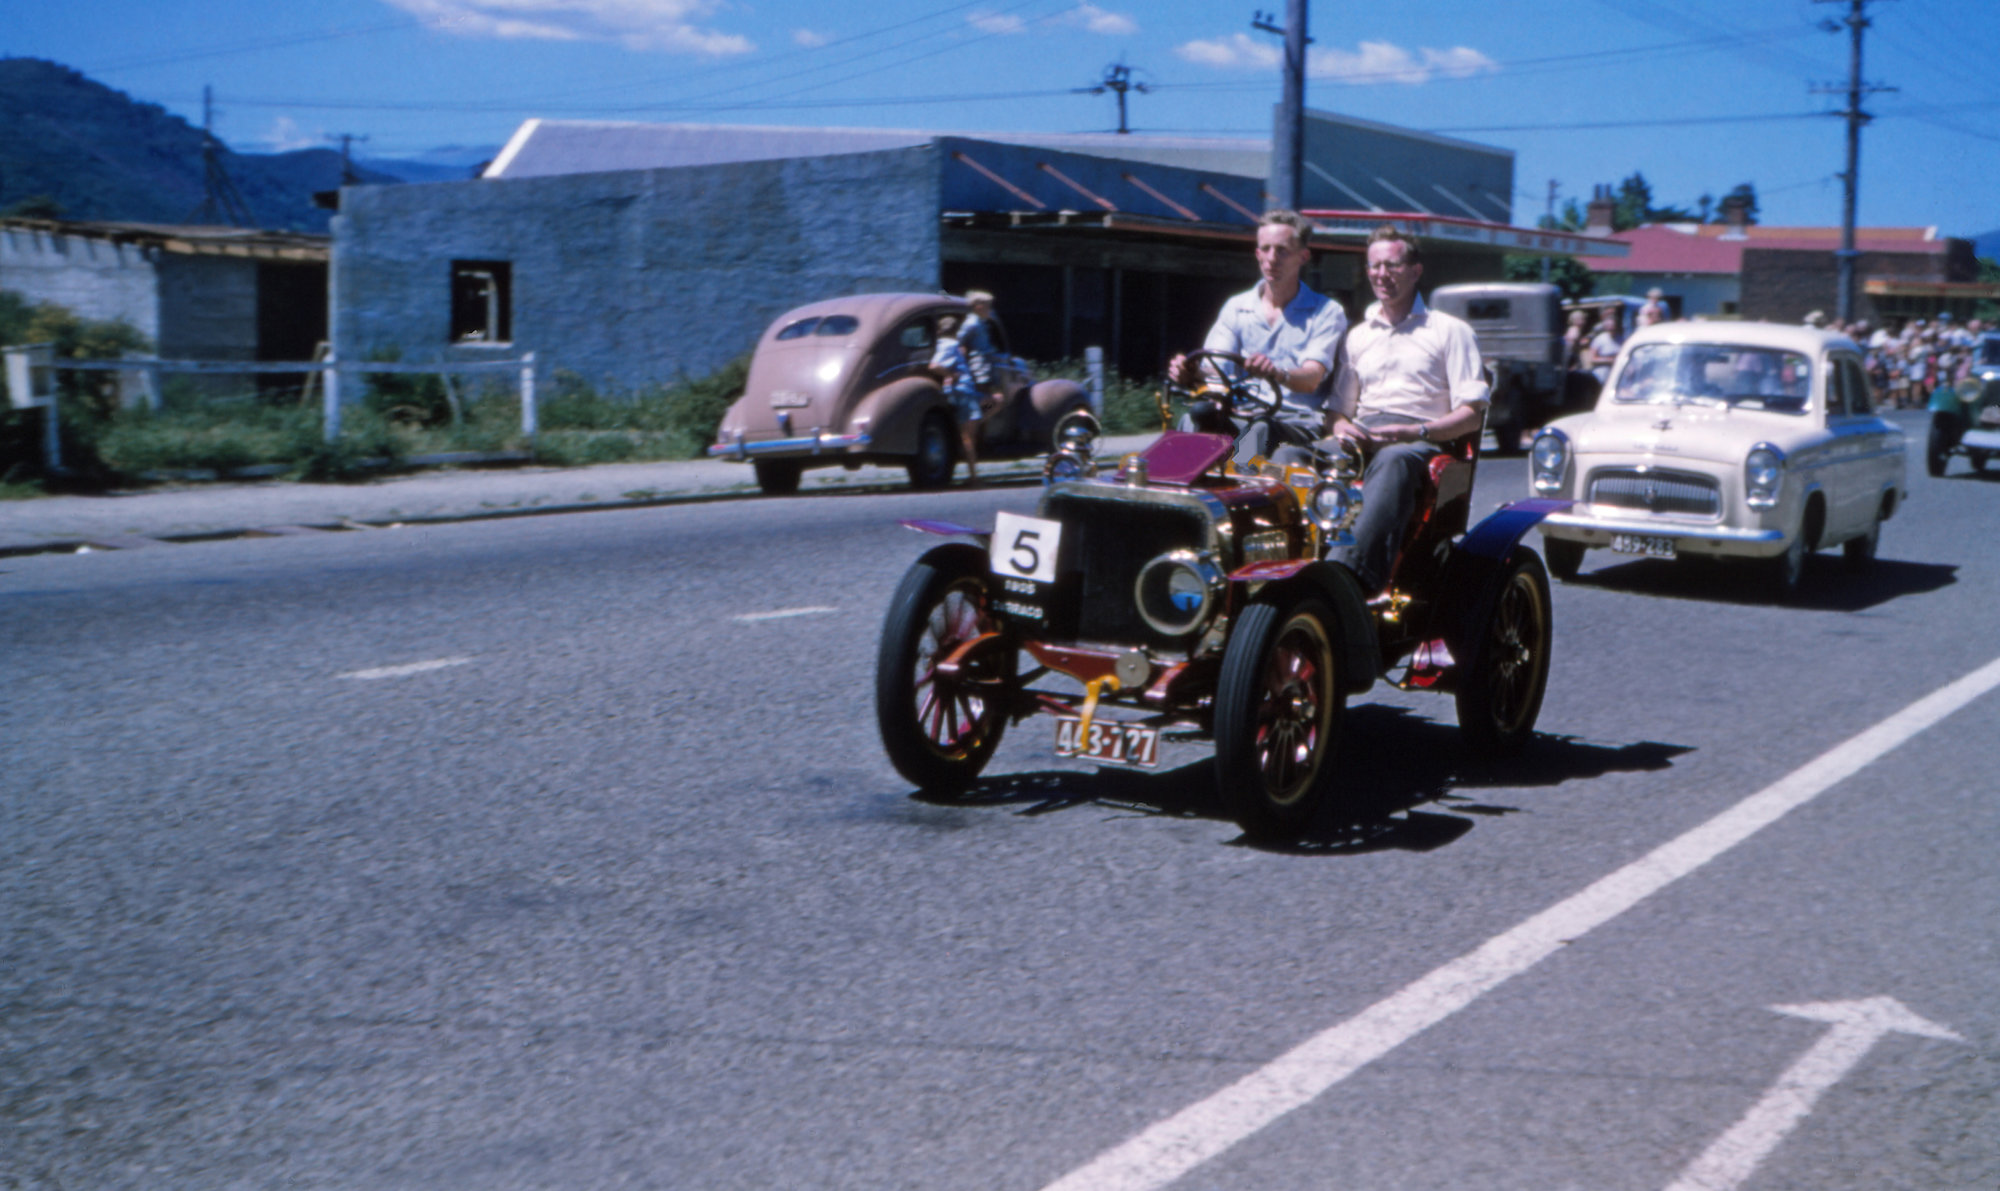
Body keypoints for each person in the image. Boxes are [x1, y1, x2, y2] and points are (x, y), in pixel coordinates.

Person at [1318, 225, 1489, 593]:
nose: (1382, 275)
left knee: (1393, 460)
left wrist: (1418, 432)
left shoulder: (1449, 331)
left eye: (1393, 265)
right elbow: (1336, 413)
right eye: (1375, 266)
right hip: (1363, 435)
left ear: (1415, 271)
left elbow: (1472, 414)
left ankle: (1348, 580)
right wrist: (1341, 428)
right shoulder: (1358, 337)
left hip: (1421, 438)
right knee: (1296, 457)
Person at [1168, 209, 1347, 463]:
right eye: (1266, 249)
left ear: (1303, 257)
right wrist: (1192, 373)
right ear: (1257, 254)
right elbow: (1215, 369)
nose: (1272, 259)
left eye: (1282, 250)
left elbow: (1311, 378)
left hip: (1295, 422)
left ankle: (1236, 480)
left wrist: (1277, 373)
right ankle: (1180, 482)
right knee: (1195, 415)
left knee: (1260, 429)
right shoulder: (1237, 307)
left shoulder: (1326, 312)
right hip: (1241, 413)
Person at [929, 313, 987, 483]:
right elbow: (934, 365)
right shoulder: (948, 345)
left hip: (966, 392)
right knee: (968, 437)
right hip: (963, 392)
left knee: (993, 402)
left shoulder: (951, 345)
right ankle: (973, 477)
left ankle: (972, 472)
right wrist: (950, 374)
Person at [1585, 306, 1624, 384]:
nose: (1611, 329)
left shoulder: (1621, 339)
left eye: (1613, 327)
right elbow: (1592, 359)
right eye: (1609, 327)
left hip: (1615, 374)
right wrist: (1609, 360)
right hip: (1601, 375)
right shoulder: (1599, 339)